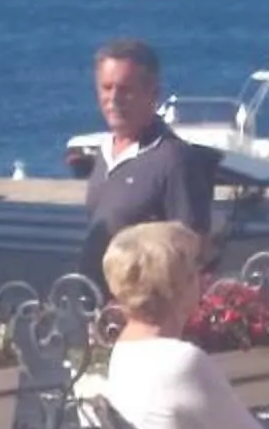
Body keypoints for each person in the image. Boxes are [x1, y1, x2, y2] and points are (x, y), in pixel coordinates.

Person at [96, 221, 269, 429]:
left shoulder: (123, 352)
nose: (203, 279)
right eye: (195, 271)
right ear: (177, 287)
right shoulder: (181, 362)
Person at [76, 38, 223, 291]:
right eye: (106, 88)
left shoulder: (175, 160)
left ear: (152, 93)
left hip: (139, 309)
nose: (114, 98)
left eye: (125, 89)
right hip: (93, 306)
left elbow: (193, 251)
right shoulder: (105, 151)